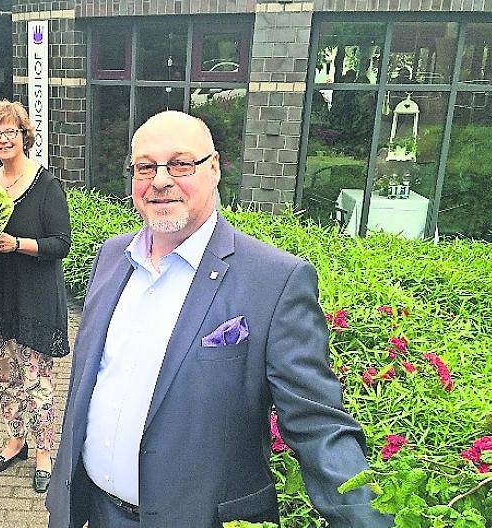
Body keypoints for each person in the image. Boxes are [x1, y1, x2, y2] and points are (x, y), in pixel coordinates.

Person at [46, 111, 393, 527]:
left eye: (180, 164)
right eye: (145, 166)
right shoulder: (111, 258)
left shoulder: (274, 280)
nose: (160, 180)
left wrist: (367, 518)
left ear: (214, 169)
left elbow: (316, 423)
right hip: (97, 513)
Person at [0, 100, 71, 493]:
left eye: (10, 132)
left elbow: (60, 243)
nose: (2, 139)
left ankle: (45, 451)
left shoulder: (46, 184)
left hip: (35, 297)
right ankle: (16, 441)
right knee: (7, 377)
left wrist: (17, 244)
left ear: (24, 136)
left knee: (37, 380)